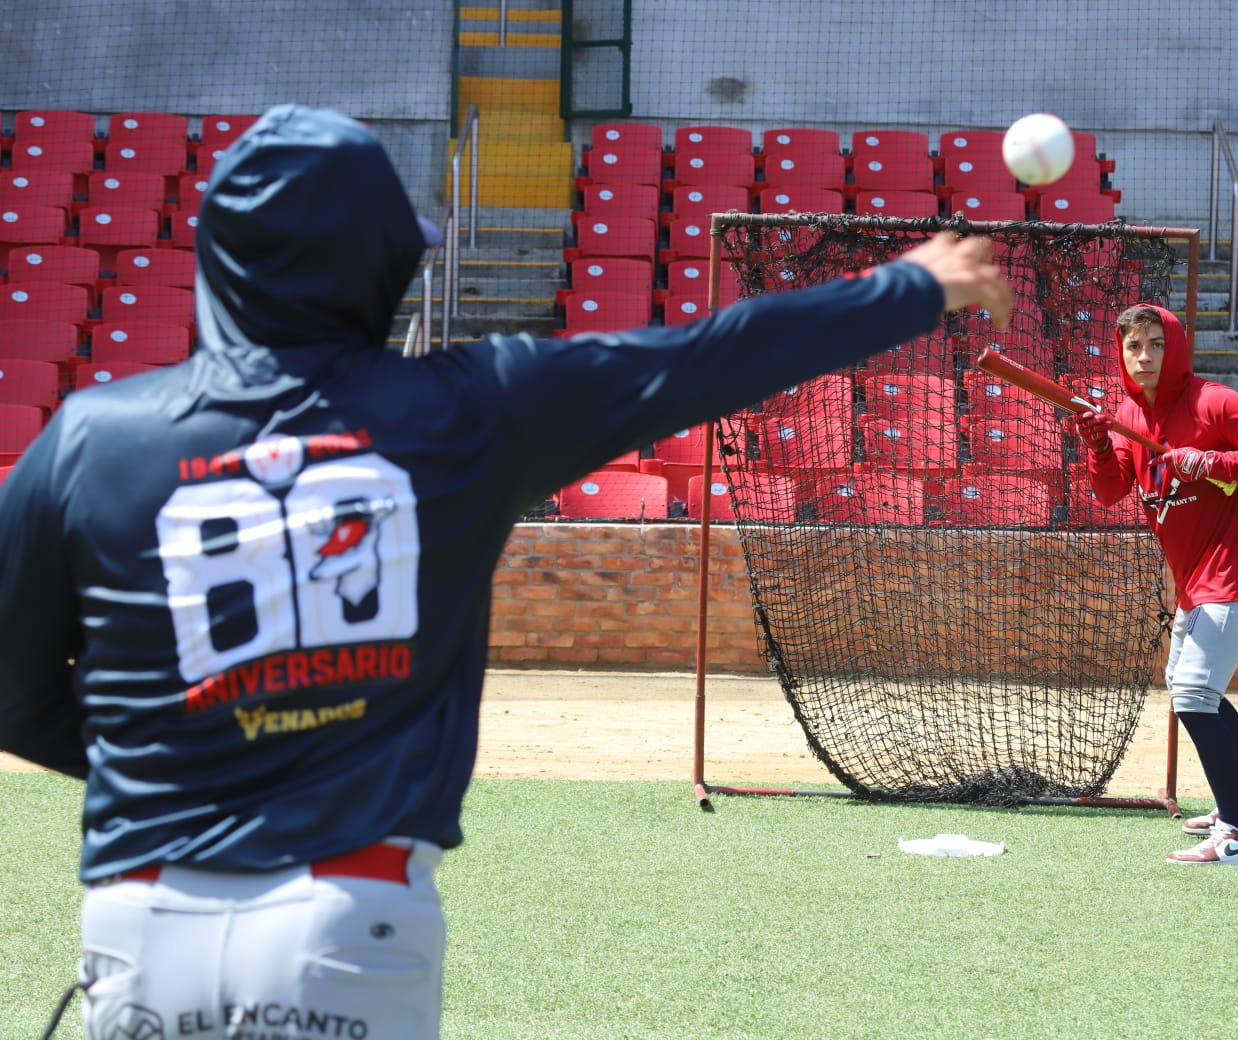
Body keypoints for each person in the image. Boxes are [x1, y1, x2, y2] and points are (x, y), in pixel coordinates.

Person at [0, 105, 1012, 1039]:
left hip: (142, 919)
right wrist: (911, 282)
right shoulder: (469, 411)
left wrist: (183, 752)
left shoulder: (89, 438)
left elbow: (11, 690)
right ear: (379, 262)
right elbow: (704, 356)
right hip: (347, 922)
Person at [1072, 303, 1238, 866]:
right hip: (1195, 583)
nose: (1145, 355)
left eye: (1156, 343)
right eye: (1134, 347)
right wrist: (1099, 445)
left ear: (1173, 346)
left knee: (1194, 696)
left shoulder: (1214, 401)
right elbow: (1109, 493)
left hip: (1235, 573)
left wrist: (1216, 462)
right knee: (1191, 687)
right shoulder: (1131, 415)